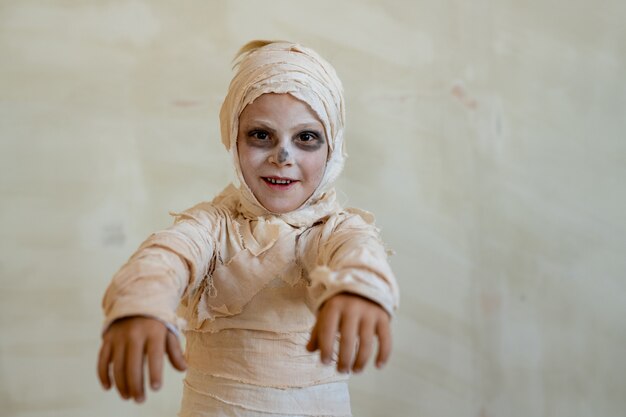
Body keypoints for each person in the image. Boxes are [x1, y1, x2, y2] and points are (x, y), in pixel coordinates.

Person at [97, 40, 400, 417]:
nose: (282, 157)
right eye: (261, 135)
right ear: (233, 139)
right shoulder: (213, 226)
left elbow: (359, 252)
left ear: (332, 146)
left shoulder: (332, 230)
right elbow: (167, 255)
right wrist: (140, 305)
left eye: (306, 138)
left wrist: (361, 289)